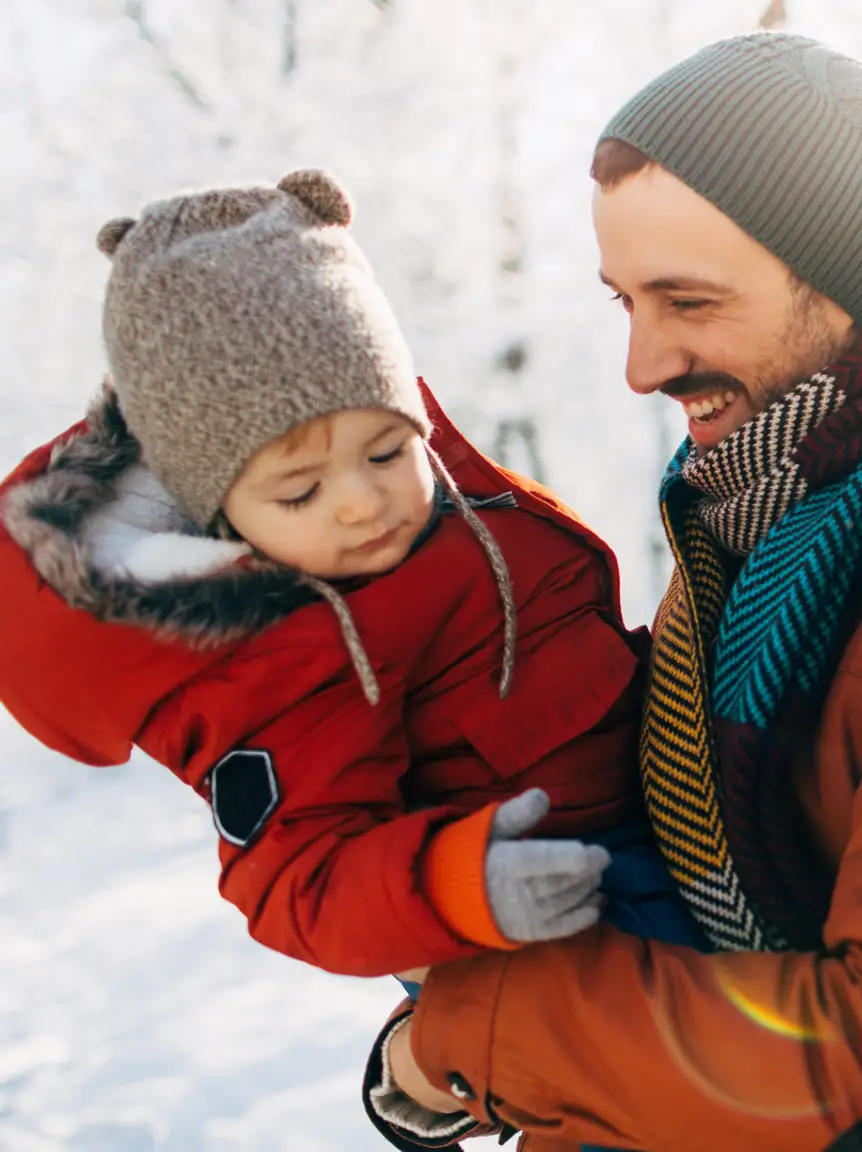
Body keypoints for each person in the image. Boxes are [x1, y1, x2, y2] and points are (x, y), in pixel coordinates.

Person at [367, 32, 862, 1152]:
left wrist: (464, 1036)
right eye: (624, 304)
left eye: (688, 303)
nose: (642, 365)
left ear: (848, 282)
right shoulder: (741, 534)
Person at [0, 170, 704, 991]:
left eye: (386, 451)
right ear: (218, 512)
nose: (362, 501)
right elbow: (301, 875)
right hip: (538, 913)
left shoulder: (449, 503)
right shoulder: (280, 651)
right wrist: (455, 887)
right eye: (300, 492)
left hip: (663, 816)